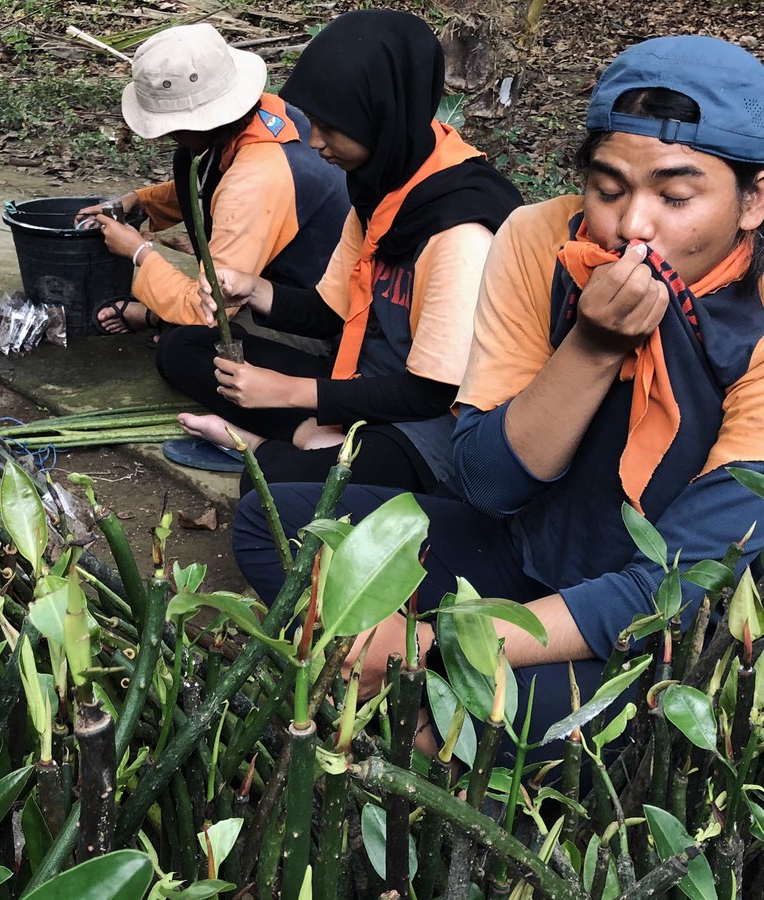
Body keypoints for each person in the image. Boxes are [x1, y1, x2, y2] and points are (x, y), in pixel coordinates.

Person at [234, 34, 764, 752]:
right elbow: (489, 484)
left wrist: (434, 644)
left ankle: (419, 704)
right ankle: (416, 702)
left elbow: (676, 587)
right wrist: (592, 346)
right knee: (273, 522)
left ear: (753, 200)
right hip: (527, 551)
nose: (633, 226)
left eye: (676, 196)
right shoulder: (541, 239)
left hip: (658, 625)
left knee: (494, 716)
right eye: (609, 190)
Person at [155, 10, 522, 493]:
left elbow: (431, 393)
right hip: (358, 380)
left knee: (278, 491)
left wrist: (288, 392)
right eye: (312, 123)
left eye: (329, 128)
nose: (314, 142)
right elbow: (331, 312)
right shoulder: (379, 186)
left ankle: (264, 447)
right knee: (183, 347)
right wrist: (253, 289)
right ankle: (308, 437)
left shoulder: (460, 228)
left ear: (380, 116)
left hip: (430, 421)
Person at [76, 23, 349, 334]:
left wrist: (139, 252)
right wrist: (140, 201)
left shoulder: (254, 179)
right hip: (274, 277)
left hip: (311, 312)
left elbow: (208, 308)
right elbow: (212, 185)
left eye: (174, 130)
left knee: (186, 345)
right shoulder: (268, 114)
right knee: (186, 161)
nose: (169, 137)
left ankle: (158, 319)